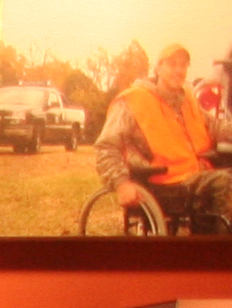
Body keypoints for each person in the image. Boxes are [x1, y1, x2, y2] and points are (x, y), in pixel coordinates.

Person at [95, 43, 232, 232]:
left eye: (183, 65)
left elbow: (215, 126)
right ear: (158, 68)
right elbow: (107, 146)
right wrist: (121, 183)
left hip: (192, 177)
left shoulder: (187, 100)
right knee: (222, 182)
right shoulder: (133, 100)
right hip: (161, 183)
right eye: (172, 64)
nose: (178, 70)